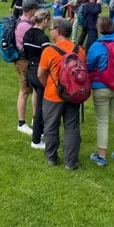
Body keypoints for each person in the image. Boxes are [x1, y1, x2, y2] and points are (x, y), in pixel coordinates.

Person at [37, 18, 86, 170]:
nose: (50, 31)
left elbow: (40, 74)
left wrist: (48, 85)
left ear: (57, 31)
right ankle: (70, 162)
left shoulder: (49, 51)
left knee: (51, 127)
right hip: (73, 94)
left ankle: (51, 158)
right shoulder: (79, 50)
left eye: (51, 29)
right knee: (72, 127)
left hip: (53, 95)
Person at [86, 17, 114, 166]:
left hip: (101, 86)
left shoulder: (96, 46)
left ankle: (101, 156)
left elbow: (88, 65)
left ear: (99, 29)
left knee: (102, 121)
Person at [22, 8, 51, 149]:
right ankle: (36, 140)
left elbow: (26, 53)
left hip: (29, 70)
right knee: (40, 107)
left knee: (38, 101)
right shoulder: (43, 38)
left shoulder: (27, 34)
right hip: (39, 72)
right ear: (45, 20)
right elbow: (48, 58)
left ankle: (42, 130)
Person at [14, 0, 39, 136]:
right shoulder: (25, 26)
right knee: (24, 91)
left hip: (27, 60)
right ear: (31, 11)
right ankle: (21, 123)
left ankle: (35, 118)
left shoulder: (24, 22)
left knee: (34, 89)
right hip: (23, 61)